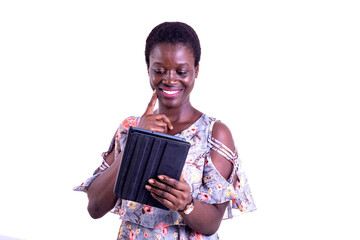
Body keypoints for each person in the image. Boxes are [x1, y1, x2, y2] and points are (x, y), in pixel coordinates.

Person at [74, 21, 256, 240]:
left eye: (181, 71)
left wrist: (187, 204)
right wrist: (136, 142)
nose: (170, 79)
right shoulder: (129, 128)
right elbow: (95, 208)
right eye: (159, 70)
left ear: (196, 70)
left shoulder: (214, 133)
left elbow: (212, 223)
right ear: (148, 69)